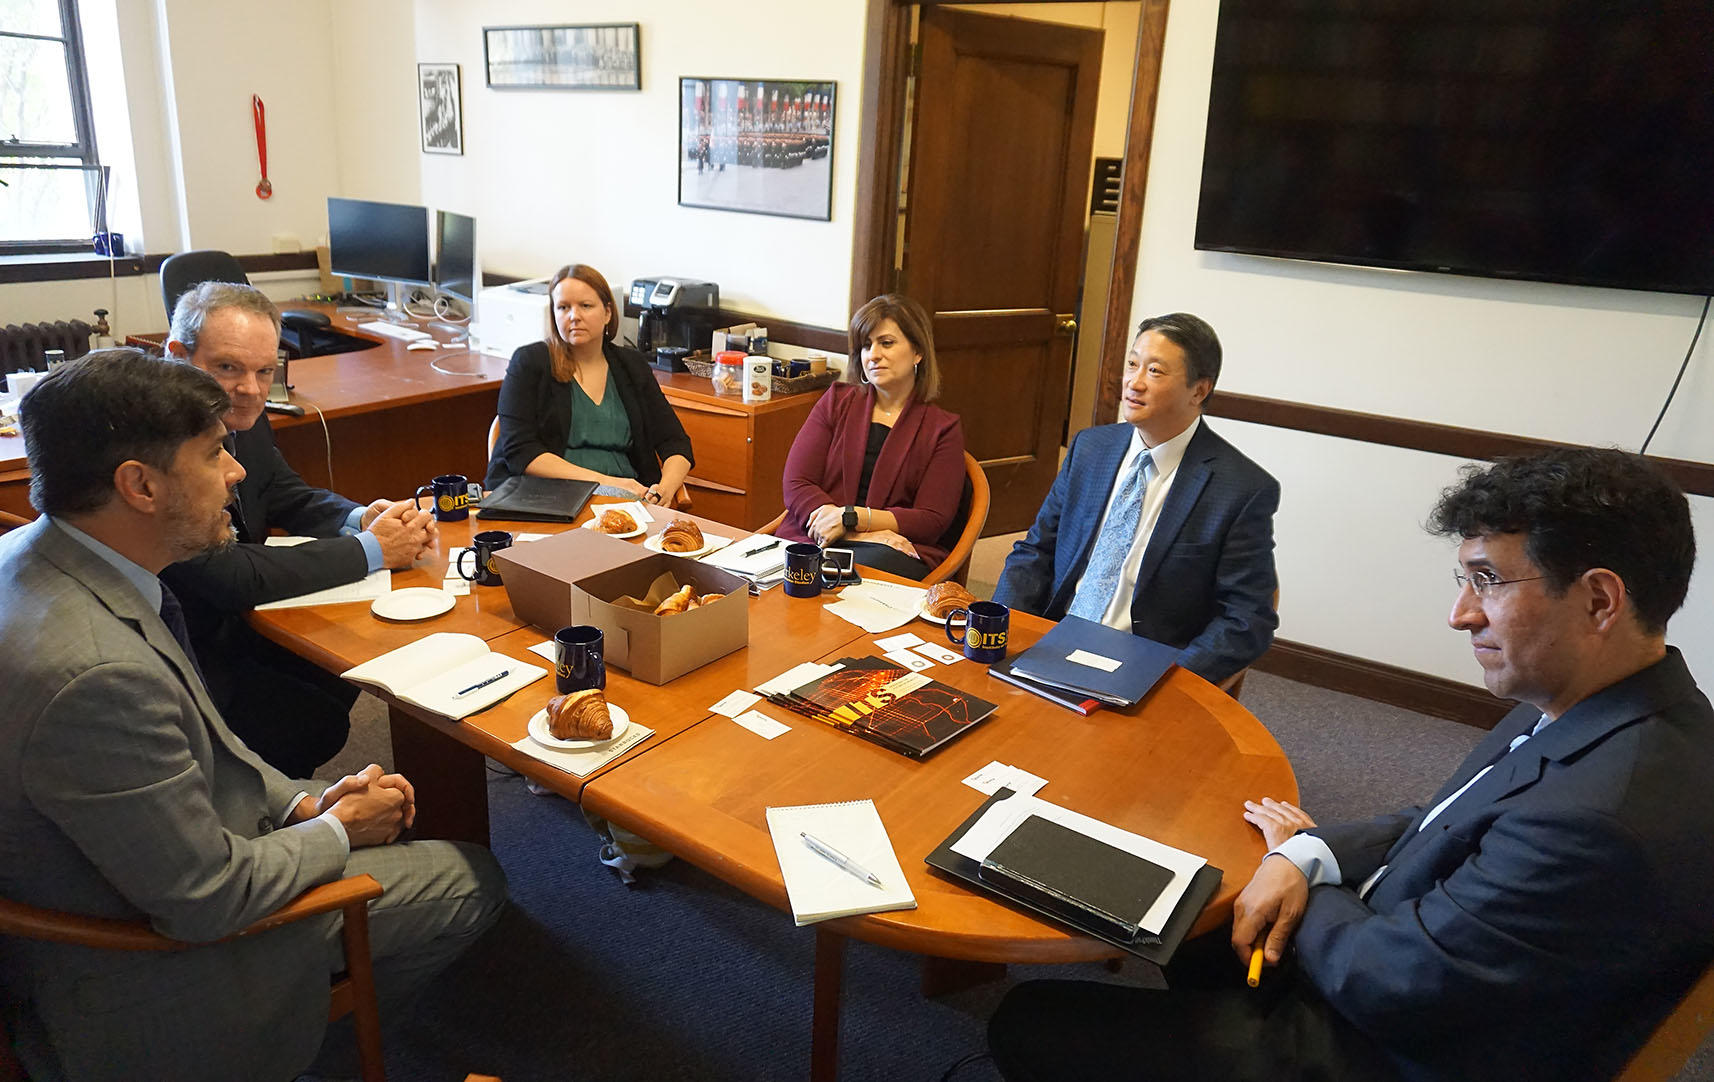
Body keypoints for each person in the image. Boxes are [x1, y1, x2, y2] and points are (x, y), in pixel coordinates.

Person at [987, 448, 1714, 1082]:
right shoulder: (1607, 705)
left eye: (1488, 580)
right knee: (1192, 889)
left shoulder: (1601, 818)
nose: (1460, 615)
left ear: (1598, 600)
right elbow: (1438, 823)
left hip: (1379, 1049)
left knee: (1027, 1017)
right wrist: (1304, 852)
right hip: (1411, 961)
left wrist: (1300, 882)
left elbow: (1392, 984)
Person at [0, 350, 505, 1082]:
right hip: (149, 973)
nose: (237, 473)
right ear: (139, 486)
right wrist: (338, 830)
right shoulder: (95, 677)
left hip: (135, 862)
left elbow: (210, 741)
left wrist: (303, 801)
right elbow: (208, 901)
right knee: (473, 879)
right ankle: (310, 1052)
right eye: (213, 455)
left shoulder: (36, 553)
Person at [160, 281, 436, 777]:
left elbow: (289, 493)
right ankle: (261, 807)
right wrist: (371, 549)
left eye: (265, 371)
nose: (251, 388)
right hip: (192, 657)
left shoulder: (243, 413)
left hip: (243, 619)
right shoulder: (158, 445)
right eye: (228, 367)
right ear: (178, 355)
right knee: (315, 715)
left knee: (354, 649)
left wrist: (360, 517)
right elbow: (227, 574)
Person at [992, 313, 1277, 685]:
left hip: (1144, 665)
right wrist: (1001, 626)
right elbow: (1036, 551)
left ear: (1199, 390)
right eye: (1132, 364)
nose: (1133, 383)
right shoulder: (1090, 449)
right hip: (1052, 640)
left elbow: (1246, 618)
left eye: (1155, 371)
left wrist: (1172, 682)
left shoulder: (1240, 488)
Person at [778, 294, 966, 579]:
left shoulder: (943, 428)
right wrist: (859, 533)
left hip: (894, 551)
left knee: (852, 570)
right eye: (866, 345)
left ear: (918, 352)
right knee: (797, 562)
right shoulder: (836, 401)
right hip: (815, 535)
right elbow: (797, 482)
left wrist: (850, 519)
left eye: (886, 343)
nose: (873, 354)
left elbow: (932, 519)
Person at [485, 263, 694, 505]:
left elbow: (675, 442)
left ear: (607, 313)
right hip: (546, 501)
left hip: (628, 503)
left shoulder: (632, 365)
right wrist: (606, 483)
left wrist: (665, 489)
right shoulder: (529, 362)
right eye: (563, 307)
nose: (574, 316)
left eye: (585, 306)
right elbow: (521, 451)